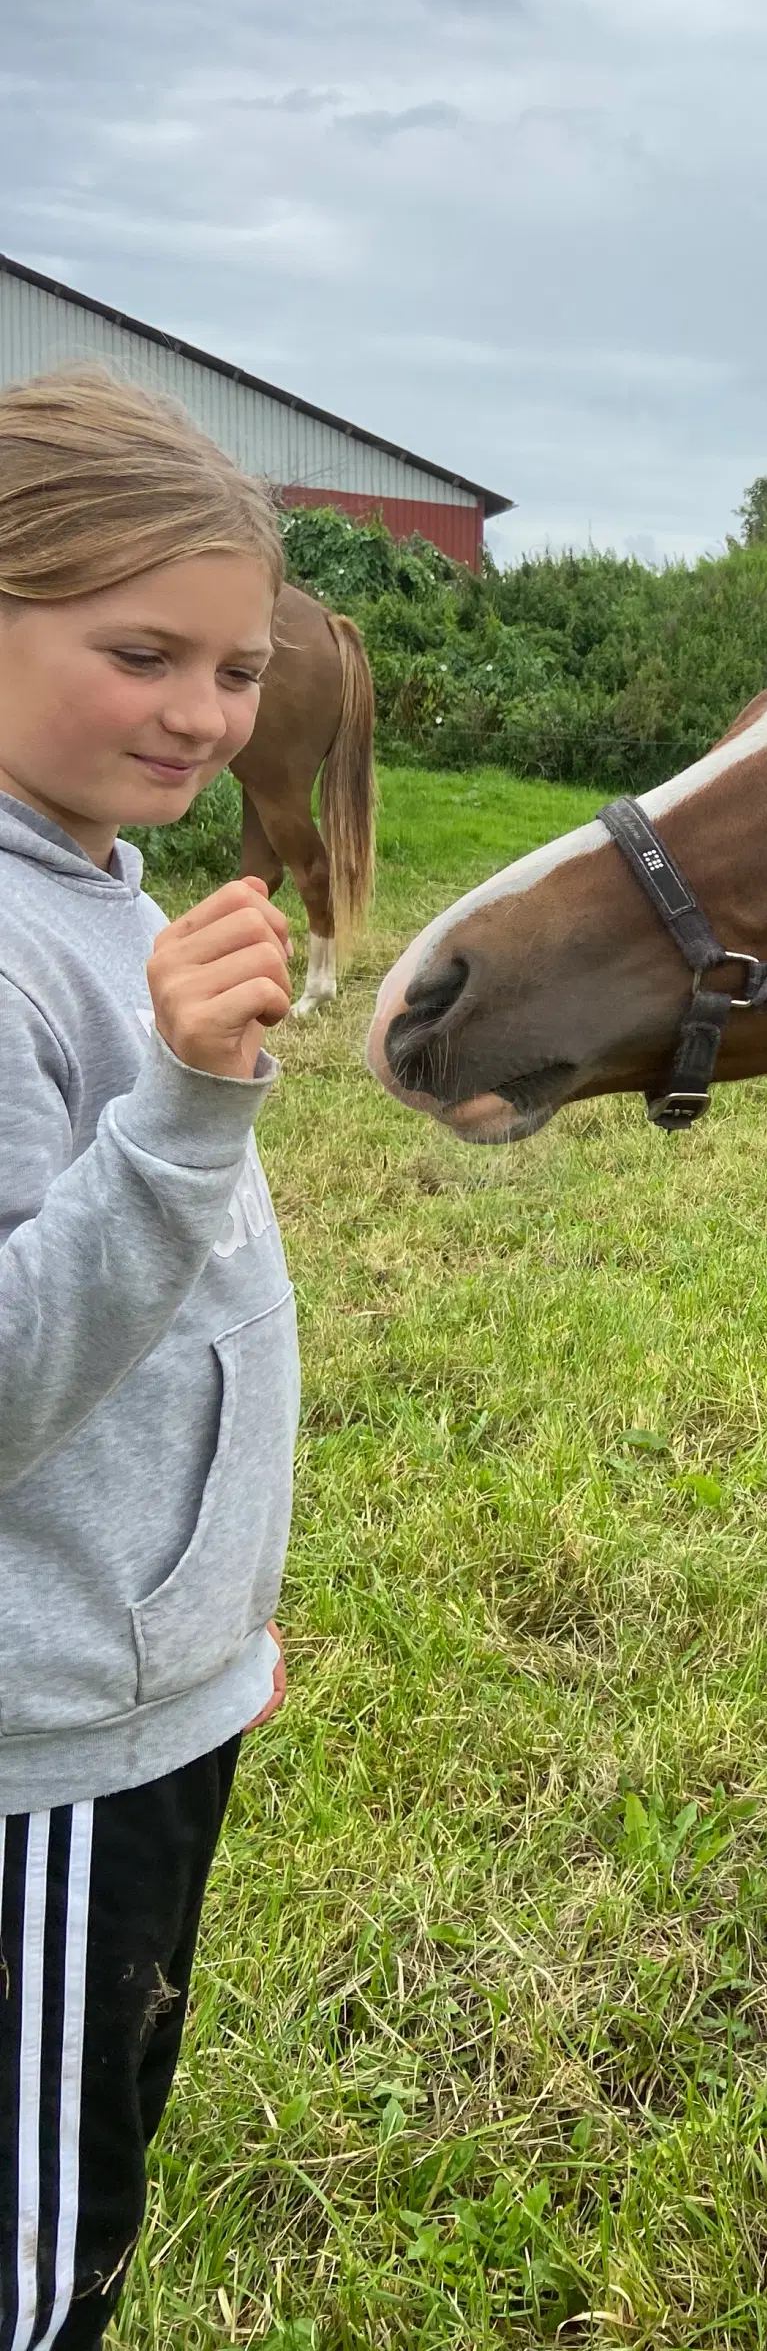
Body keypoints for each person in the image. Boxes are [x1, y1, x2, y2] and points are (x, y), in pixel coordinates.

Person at [0, 368, 299, 2345]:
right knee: (32, 2272)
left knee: (90, 2195)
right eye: (143, 652)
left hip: (132, 1709)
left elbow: (188, 1337)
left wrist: (215, 1629)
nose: (202, 712)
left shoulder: (99, 889)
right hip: (35, 1759)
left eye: (239, 666)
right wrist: (190, 1101)